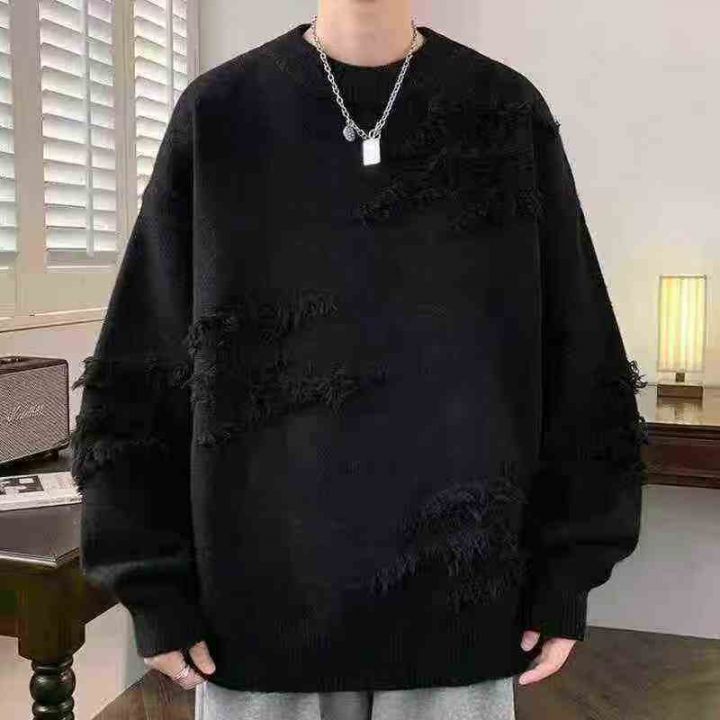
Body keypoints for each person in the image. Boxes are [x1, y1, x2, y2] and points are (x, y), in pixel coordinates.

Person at [70, 2, 647, 719]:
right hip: (259, 612)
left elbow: (579, 352)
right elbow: (143, 363)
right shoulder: (219, 114)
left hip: (458, 607)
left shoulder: (503, 111)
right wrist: (150, 583)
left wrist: (568, 573)